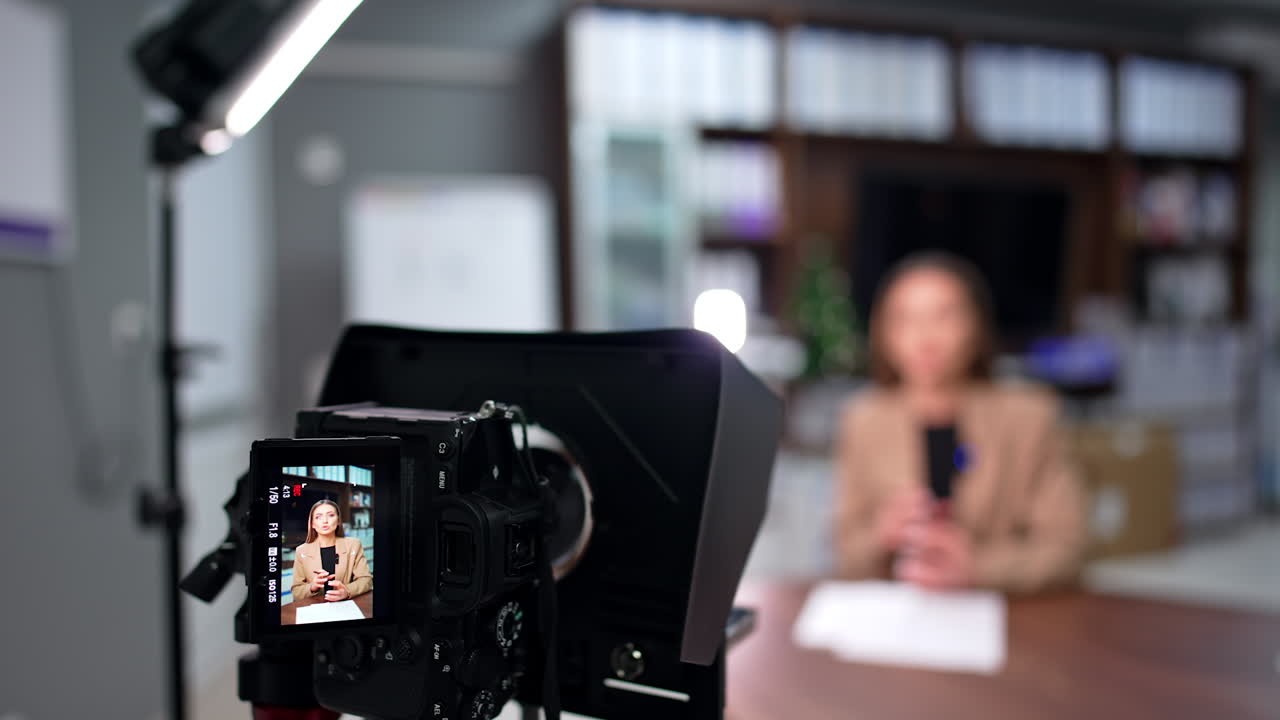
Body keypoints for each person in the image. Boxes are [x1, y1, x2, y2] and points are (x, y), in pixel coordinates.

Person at [834, 252, 1086, 594]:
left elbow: (1067, 551)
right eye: (904, 319)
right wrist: (881, 535)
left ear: (976, 326)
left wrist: (979, 567)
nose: (925, 336)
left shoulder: (1029, 417)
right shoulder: (863, 420)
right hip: (898, 612)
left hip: (1003, 616)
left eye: (944, 315)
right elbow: (844, 552)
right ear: (883, 333)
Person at [290, 499, 372, 604]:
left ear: (338, 521)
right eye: (318, 517)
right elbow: (296, 591)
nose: (325, 521)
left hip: (345, 606)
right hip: (314, 609)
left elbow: (366, 580)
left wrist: (347, 591)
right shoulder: (302, 551)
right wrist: (312, 587)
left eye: (331, 515)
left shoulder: (353, 545)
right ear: (312, 524)